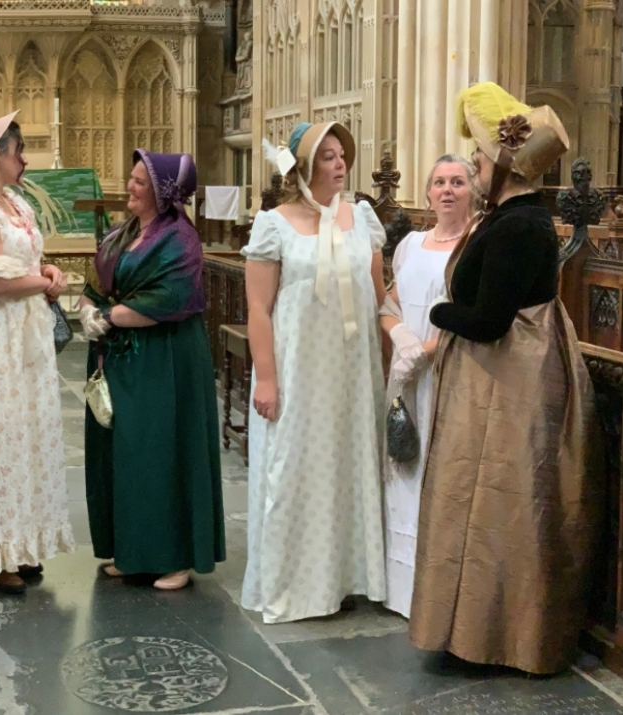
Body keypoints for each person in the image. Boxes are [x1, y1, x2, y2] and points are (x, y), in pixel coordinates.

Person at [409, 82, 600, 674]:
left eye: (481, 159)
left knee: (499, 504)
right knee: (483, 503)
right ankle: (475, 630)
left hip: (507, 387)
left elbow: (489, 321)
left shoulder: (520, 225)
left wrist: (437, 312)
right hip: (497, 381)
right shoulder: (513, 217)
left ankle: (500, 636)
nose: (472, 165)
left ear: (507, 165)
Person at [241, 121, 388, 623]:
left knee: (346, 464)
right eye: (327, 156)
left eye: (342, 153)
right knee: (296, 465)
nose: (340, 163)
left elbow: (379, 295)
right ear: (304, 167)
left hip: (351, 370)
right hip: (299, 368)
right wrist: (266, 377)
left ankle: (345, 577)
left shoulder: (361, 218)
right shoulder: (275, 224)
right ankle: (297, 584)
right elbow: (258, 309)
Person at [80, 150, 225, 592]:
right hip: (121, 356)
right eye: (131, 178)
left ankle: (174, 557)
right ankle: (132, 552)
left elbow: (170, 298)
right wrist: (88, 308)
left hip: (164, 360)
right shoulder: (124, 232)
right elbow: (94, 279)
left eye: (140, 181)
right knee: (124, 456)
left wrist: (108, 318)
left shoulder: (180, 239)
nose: (130, 186)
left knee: (162, 454)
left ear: (164, 192)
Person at [0, 111, 75, 595]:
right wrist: (45, 282)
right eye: (17, 149)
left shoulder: (14, 204)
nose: (24, 158)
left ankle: (21, 545)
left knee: (28, 437)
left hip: (25, 335)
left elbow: (25, 261)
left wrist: (49, 273)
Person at [378, 154, 476, 618]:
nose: (447, 190)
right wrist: (400, 338)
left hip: (448, 372)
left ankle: (434, 594)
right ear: (428, 192)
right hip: (405, 371)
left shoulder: (476, 243)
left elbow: (472, 310)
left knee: (439, 470)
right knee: (402, 464)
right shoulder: (411, 244)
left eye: (457, 181)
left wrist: (428, 351)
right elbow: (389, 301)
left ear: (472, 191)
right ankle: (400, 589)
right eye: (439, 182)